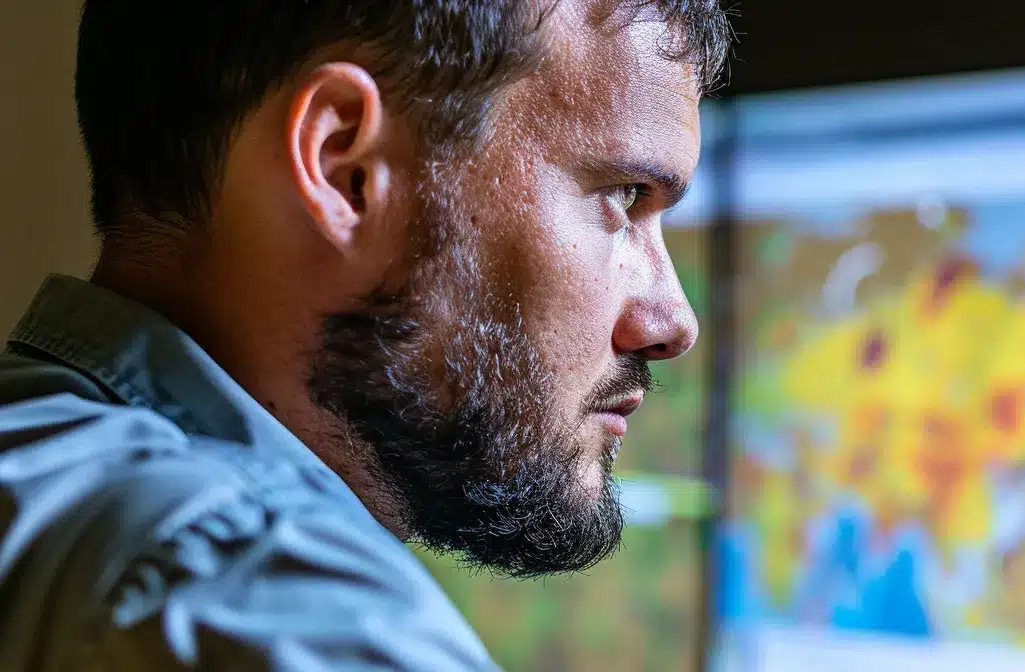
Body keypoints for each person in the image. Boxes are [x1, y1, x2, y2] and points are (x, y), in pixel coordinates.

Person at [0, 0, 729, 668]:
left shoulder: (36, 480)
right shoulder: (273, 607)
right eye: (623, 196)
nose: (672, 321)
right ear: (344, 168)